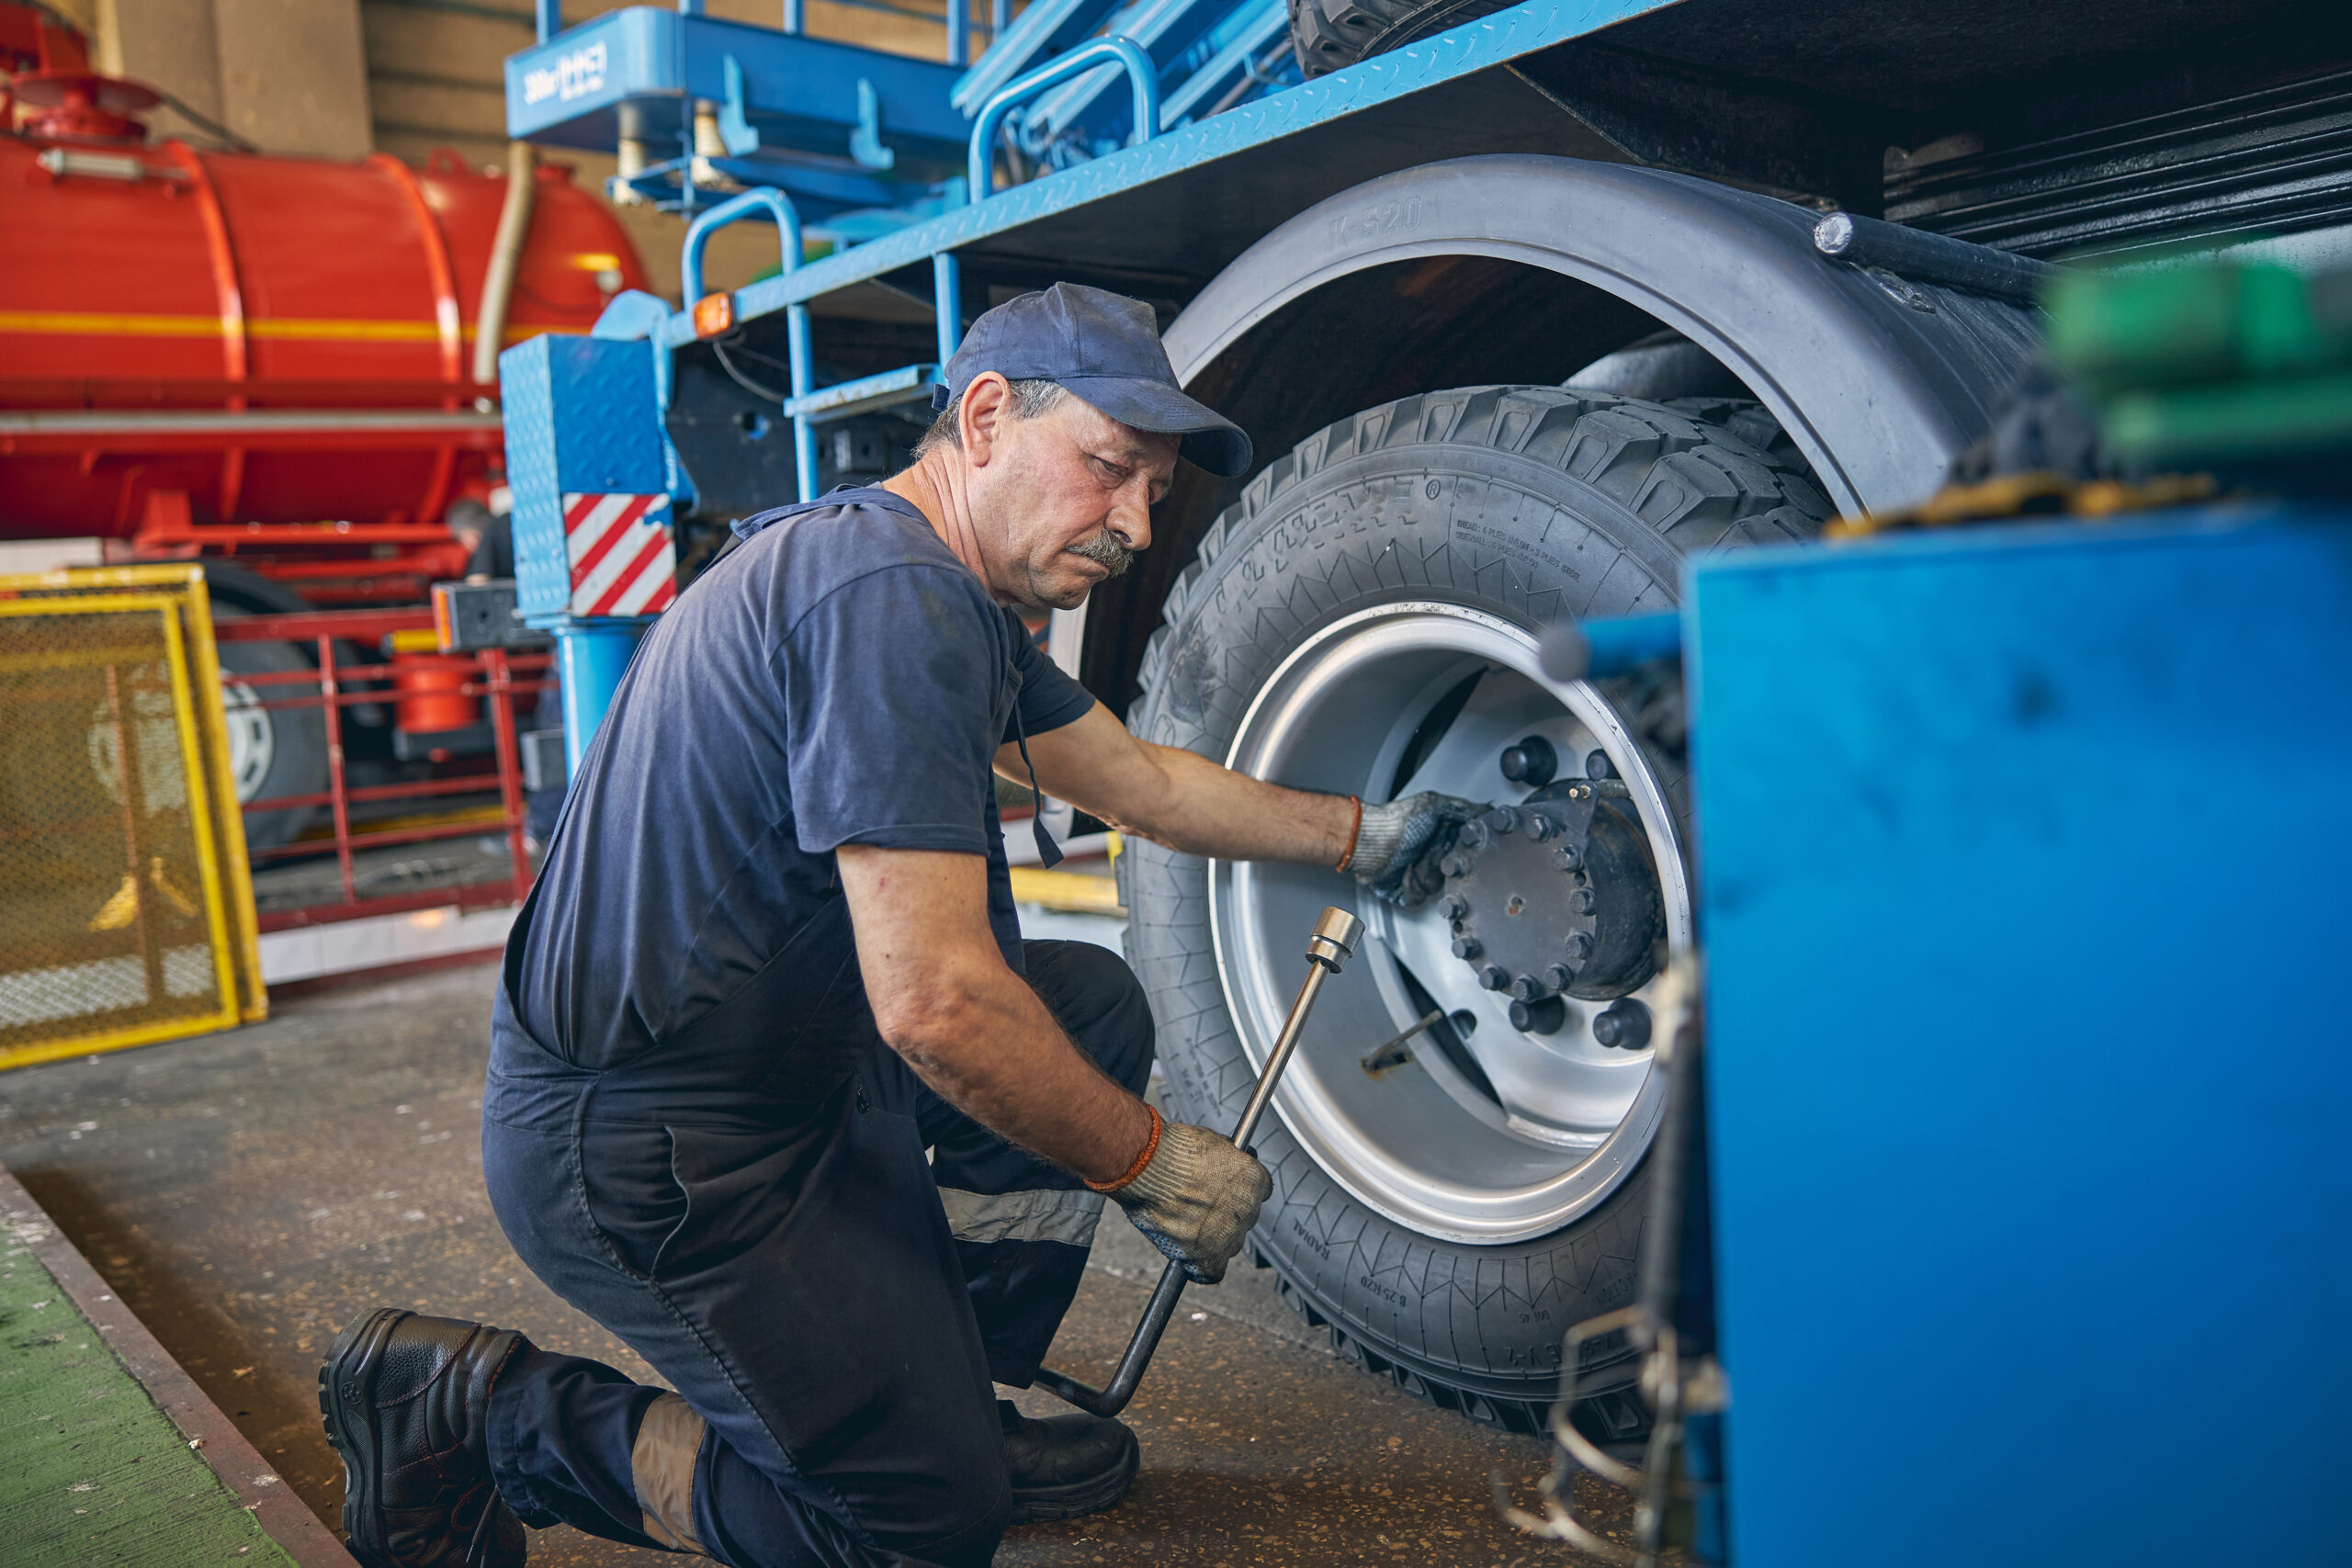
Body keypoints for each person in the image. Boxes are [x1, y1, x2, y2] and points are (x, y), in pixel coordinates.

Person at [316, 284, 1480, 1568]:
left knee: (1087, 1006)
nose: (1137, 524)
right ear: (985, 418)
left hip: (775, 1066)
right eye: (1109, 469)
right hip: (648, 1144)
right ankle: (490, 1416)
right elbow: (934, 1006)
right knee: (910, 1528)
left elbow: (1139, 784)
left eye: (1151, 488)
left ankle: (950, 1401)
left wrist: (1356, 836)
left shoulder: (929, 590)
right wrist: (1150, 1161)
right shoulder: (892, 599)